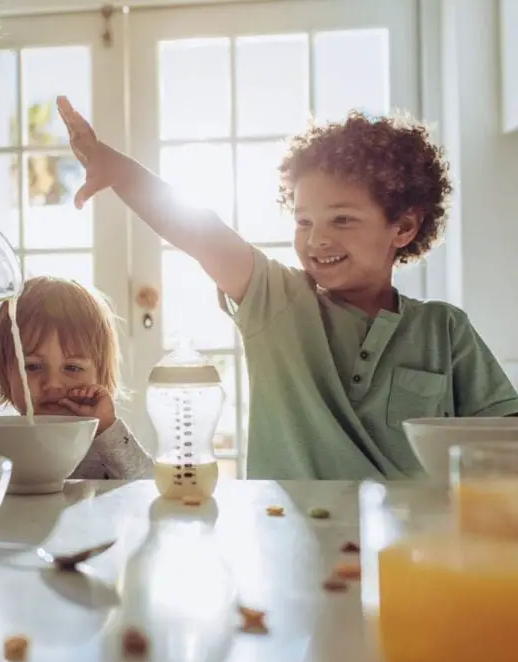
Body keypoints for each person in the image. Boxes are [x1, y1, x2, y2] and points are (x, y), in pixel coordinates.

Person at [57, 97, 518, 480]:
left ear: (404, 226)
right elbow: (199, 231)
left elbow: (505, 437)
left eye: (342, 219)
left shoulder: (445, 330)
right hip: (287, 542)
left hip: (410, 552)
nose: (318, 239)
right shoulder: (276, 304)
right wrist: (116, 170)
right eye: (304, 221)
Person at [0, 276, 151, 479]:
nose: (52, 384)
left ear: (100, 373)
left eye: (72, 367)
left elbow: (148, 486)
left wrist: (108, 428)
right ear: (4, 373)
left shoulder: (106, 447)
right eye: (33, 366)